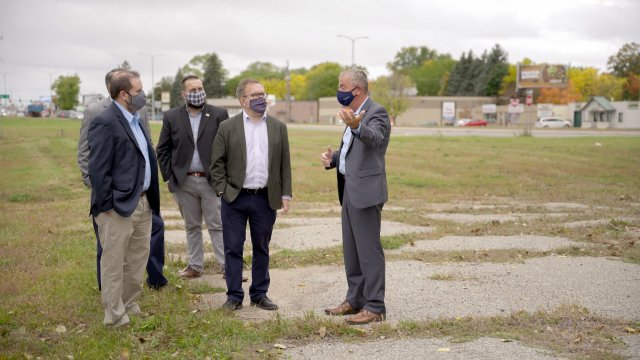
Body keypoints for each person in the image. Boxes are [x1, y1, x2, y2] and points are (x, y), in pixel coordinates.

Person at [78, 68, 167, 291]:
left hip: (142, 198)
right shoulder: (100, 117)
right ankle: (114, 310)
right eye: (139, 90)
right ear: (123, 94)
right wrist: (104, 197)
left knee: (138, 255)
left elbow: (144, 150)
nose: (144, 94)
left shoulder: (138, 114)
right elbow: (92, 160)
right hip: (115, 200)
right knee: (112, 256)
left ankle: (131, 301)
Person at [210, 77, 292, 311]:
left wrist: (286, 194)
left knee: (261, 248)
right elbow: (216, 163)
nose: (261, 98)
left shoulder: (278, 127)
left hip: (266, 198)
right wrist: (223, 190)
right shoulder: (228, 127)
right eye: (255, 95)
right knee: (233, 247)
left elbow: (284, 164)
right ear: (242, 100)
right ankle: (234, 296)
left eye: (263, 94)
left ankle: (259, 294)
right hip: (235, 197)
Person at [156, 75, 244, 281]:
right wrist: (169, 176)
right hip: (184, 182)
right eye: (193, 90)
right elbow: (163, 148)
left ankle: (227, 267)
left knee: (217, 225)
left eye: (200, 89)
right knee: (192, 226)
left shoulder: (218, 114)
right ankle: (195, 266)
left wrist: (226, 177)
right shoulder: (171, 116)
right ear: (184, 94)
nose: (198, 93)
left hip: (212, 181)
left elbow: (229, 146)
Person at [321, 69, 391, 325]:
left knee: (368, 250)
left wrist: (356, 125)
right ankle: (355, 300)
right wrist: (334, 159)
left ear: (357, 90)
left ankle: (375, 306)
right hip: (349, 190)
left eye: (342, 85)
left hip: (367, 192)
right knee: (351, 250)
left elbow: (375, 139)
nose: (338, 89)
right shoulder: (351, 116)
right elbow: (354, 152)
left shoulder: (376, 112)